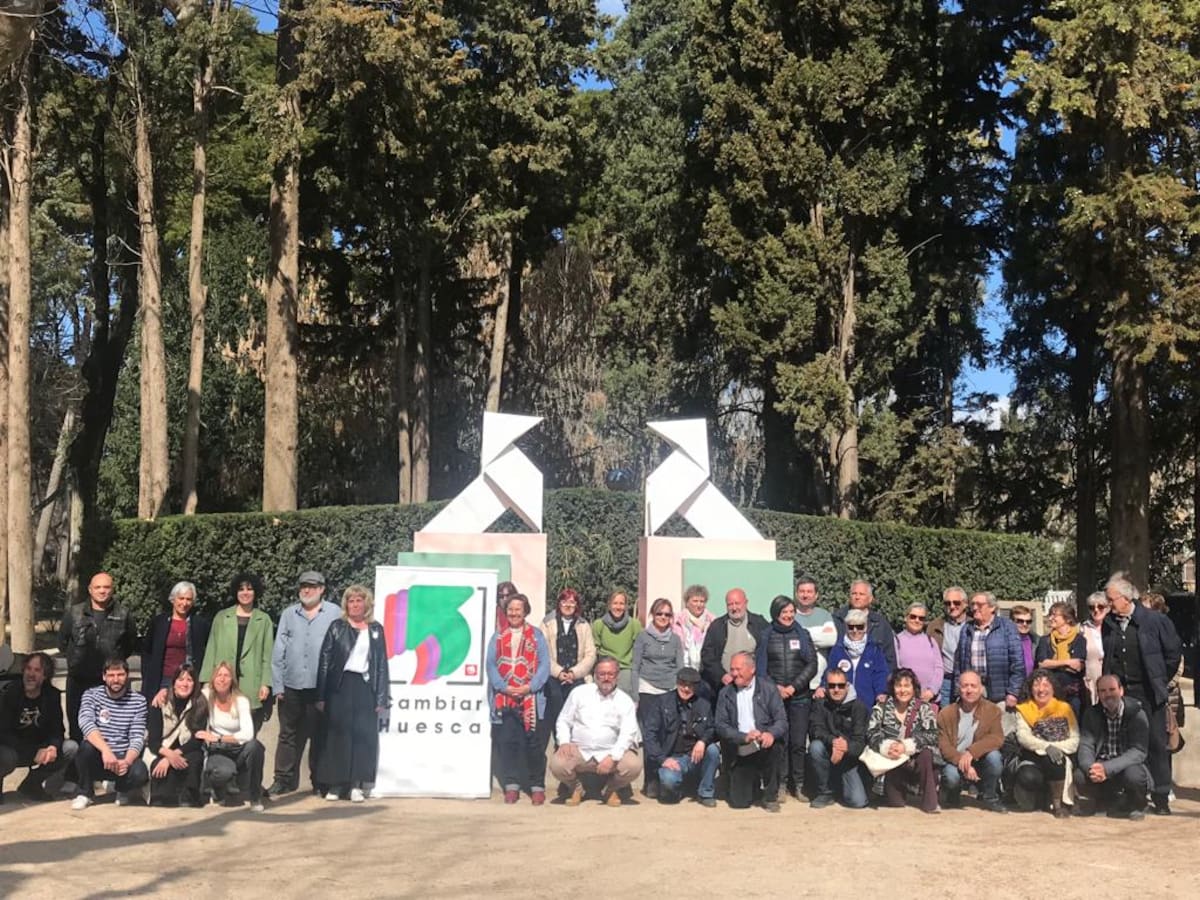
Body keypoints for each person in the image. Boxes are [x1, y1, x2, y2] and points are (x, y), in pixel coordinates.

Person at [1101, 574, 1181, 815]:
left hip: (1148, 693)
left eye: (1111, 599)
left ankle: (1161, 797)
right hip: (1122, 695)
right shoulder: (1109, 623)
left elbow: (1172, 654)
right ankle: (1130, 795)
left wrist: (1159, 679)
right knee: (1124, 743)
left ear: (1126, 599)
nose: (1108, 604)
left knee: (1156, 744)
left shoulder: (1155, 621)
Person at [267, 570, 341, 797]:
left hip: (320, 687)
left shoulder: (335, 613)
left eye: (311, 586)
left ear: (322, 589)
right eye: (303, 586)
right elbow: (278, 649)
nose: (306, 590)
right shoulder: (289, 614)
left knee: (319, 734)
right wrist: (277, 685)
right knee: (287, 734)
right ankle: (282, 780)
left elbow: (340, 650)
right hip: (291, 685)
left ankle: (319, 780)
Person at [316, 584, 389, 803]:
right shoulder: (336, 627)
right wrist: (320, 695)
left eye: (359, 600)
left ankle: (357, 784)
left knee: (362, 735)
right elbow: (324, 661)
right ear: (346, 604)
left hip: (365, 686)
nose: (355, 604)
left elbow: (381, 664)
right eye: (351, 601)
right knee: (338, 735)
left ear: (367, 603)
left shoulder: (376, 629)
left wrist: (381, 697)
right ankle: (337, 785)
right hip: (340, 686)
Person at [550, 657, 642, 806]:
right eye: (602, 674)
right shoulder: (579, 693)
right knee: (557, 764)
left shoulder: (625, 701)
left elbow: (628, 733)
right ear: (594, 675)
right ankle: (577, 790)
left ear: (617, 676)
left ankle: (610, 791)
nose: (606, 678)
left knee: (633, 766)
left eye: (611, 674)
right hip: (580, 750)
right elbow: (563, 720)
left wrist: (613, 756)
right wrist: (564, 741)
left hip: (609, 751)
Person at [486, 592, 551, 804]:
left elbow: (544, 665)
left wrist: (528, 687)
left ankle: (537, 786)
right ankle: (511, 785)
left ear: (525, 611)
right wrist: (504, 687)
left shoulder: (537, 636)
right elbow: (491, 665)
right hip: (505, 699)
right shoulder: (497, 637)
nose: (514, 613)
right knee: (507, 742)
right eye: (511, 609)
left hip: (530, 698)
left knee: (533, 745)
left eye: (518, 609)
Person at [58, 572, 139, 742]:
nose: (102, 591)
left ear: (112, 589)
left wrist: (114, 661)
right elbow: (63, 643)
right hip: (78, 680)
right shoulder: (73, 613)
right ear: (90, 589)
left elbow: (129, 645)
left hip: (109, 682)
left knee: (108, 728)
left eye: (106, 587)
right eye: (98, 587)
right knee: (77, 728)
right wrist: (76, 660)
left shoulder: (124, 615)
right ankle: (77, 766)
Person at [755, 595, 816, 800]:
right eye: (784, 612)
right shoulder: (765, 635)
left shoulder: (803, 634)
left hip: (800, 697)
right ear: (776, 614)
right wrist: (776, 688)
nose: (789, 615)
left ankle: (798, 784)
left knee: (798, 743)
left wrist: (793, 687)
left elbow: (812, 665)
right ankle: (780, 784)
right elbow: (761, 669)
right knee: (780, 742)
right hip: (776, 697)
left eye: (791, 611)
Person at [201, 572, 275, 735]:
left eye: (249, 589)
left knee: (247, 731)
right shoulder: (221, 617)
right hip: (224, 680)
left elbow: (267, 654)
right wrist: (206, 680)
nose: (245, 593)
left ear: (256, 592)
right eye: (241, 589)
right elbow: (211, 649)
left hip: (251, 682)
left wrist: (266, 683)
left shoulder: (264, 620)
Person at [142, 581, 211, 752]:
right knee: (158, 720)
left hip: (187, 680)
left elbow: (206, 650)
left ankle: (182, 754)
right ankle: (156, 753)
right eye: (181, 598)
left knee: (185, 720)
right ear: (173, 599)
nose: (184, 603)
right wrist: (148, 676)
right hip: (162, 679)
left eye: (189, 599)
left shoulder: (199, 624)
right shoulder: (159, 622)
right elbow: (147, 651)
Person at [71, 658, 149, 810]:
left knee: (140, 773)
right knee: (85, 748)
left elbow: (137, 736)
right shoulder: (91, 695)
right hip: (100, 754)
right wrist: (106, 750)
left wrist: (127, 761)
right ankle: (85, 793)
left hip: (123, 756)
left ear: (127, 676)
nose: (116, 679)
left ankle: (122, 789)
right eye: (111, 675)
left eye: (120, 675)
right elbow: (86, 724)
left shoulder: (138, 701)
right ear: (104, 676)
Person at [0, 653, 77, 803]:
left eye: (37, 670)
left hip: (40, 748)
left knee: (70, 748)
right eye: (28, 669)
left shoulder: (52, 695)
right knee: (5, 756)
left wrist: (53, 747)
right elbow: (3, 733)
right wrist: (32, 751)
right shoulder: (10, 693)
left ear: (45, 676)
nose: (31, 674)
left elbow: (57, 730)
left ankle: (31, 785)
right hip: (12, 748)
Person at [715, 651, 787, 811]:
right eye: (732, 669)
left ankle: (770, 796)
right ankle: (746, 782)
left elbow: (782, 721)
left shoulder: (769, 689)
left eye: (738, 669)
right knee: (739, 803)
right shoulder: (725, 693)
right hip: (741, 748)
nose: (734, 673)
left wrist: (771, 733)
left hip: (764, 745)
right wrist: (743, 737)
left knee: (775, 747)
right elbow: (720, 725)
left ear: (752, 669)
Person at [1074, 674, 1150, 819]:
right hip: (1100, 766)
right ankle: (1099, 803)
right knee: (1079, 775)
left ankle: (1138, 805)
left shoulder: (1137, 714)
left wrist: (1107, 768)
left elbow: (1138, 751)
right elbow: (1086, 745)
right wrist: (1091, 768)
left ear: (1121, 691)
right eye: (1102, 691)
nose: (1107, 694)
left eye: (1112, 689)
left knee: (1134, 776)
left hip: (1125, 765)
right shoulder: (1091, 714)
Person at [866, 667, 941, 814]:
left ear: (914, 688)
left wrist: (906, 745)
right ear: (892, 688)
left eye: (907, 686)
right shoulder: (881, 708)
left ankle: (930, 803)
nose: (902, 690)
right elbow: (871, 733)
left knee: (926, 753)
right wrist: (887, 746)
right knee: (896, 805)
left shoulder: (924, 708)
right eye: (898, 685)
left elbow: (932, 735)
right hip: (891, 763)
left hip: (915, 761)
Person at [631, 597, 685, 798]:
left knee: (667, 735)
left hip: (669, 689)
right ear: (653, 615)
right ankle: (650, 781)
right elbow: (635, 666)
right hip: (648, 689)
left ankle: (666, 779)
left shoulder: (675, 639)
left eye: (668, 614)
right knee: (650, 735)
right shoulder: (643, 637)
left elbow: (680, 667)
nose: (663, 617)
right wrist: (635, 694)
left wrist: (680, 692)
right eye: (660, 613)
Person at [643, 667, 719, 806]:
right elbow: (649, 734)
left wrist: (703, 741)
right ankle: (681, 790)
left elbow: (711, 728)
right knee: (669, 782)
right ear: (677, 683)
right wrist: (662, 759)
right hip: (671, 758)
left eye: (690, 686)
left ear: (696, 687)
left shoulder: (704, 704)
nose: (686, 689)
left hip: (694, 756)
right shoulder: (661, 702)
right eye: (682, 684)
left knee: (713, 750)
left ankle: (705, 793)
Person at [200, 661, 266, 812]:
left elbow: (248, 734)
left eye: (226, 675)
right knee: (223, 772)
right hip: (218, 750)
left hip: (238, 748)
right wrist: (163, 692)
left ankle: (255, 796)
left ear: (232, 680)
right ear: (213, 679)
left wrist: (219, 738)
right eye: (219, 675)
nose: (222, 679)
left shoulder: (241, 700)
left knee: (256, 746)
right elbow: (186, 691)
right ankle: (218, 790)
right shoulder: (206, 695)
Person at [936, 670, 1006, 812]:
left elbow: (997, 738)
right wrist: (964, 762)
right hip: (955, 760)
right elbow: (944, 746)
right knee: (951, 777)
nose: (969, 690)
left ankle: (990, 796)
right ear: (958, 688)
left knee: (995, 757)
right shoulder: (946, 713)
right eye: (965, 686)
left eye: (973, 686)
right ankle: (952, 794)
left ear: (981, 689)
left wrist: (971, 753)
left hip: (980, 759)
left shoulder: (992, 710)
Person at [1012, 669, 1079, 818]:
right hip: (1033, 757)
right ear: (1030, 689)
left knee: (1054, 759)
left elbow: (1074, 740)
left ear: (1053, 688)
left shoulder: (1065, 709)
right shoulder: (1023, 710)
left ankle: (1057, 804)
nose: (1041, 689)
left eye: (1045, 685)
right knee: (1027, 776)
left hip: (1060, 759)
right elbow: (1023, 737)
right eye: (1036, 685)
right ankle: (1039, 797)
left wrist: (1055, 748)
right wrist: (1046, 747)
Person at [540, 587, 596, 744]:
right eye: (564, 601)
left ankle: (576, 744)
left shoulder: (584, 625)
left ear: (577, 605)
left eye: (572, 602)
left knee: (576, 709)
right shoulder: (547, 623)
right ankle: (560, 744)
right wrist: (558, 672)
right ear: (559, 603)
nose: (568, 605)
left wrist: (574, 673)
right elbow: (543, 652)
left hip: (576, 676)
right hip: (553, 675)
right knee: (556, 703)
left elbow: (590, 654)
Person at [807, 670, 869, 809]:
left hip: (851, 759)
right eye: (832, 685)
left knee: (857, 802)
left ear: (847, 686)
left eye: (840, 685)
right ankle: (825, 792)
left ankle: (841, 787)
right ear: (826, 686)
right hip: (828, 753)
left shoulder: (859, 707)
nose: (836, 689)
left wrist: (844, 747)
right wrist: (834, 742)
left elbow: (860, 742)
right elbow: (815, 730)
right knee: (815, 747)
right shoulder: (820, 704)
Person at [952, 591, 1024, 709]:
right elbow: (959, 664)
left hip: (1000, 695)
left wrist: (1013, 692)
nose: (975, 608)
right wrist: (958, 691)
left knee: (1001, 727)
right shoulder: (967, 629)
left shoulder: (1007, 627)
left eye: (979, 605)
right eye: (973, 604)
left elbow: (1018, 663)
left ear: (992, 608)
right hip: (972, 693)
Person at [149, 664, 208, 807]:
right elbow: (154, 742)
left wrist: (172, 756)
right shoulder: (160, 702)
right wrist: (168, 755)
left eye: (189, 680)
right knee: (158, 764)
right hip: (164, 747)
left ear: (195, 684)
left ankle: (189, 797)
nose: (185, 684)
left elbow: (197, 740)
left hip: (187, 748)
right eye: (181, 679)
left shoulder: (200, 704)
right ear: (174, 682)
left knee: (195, 757)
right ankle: (161, 798)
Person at [700, 588, 768, 700]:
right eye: (730, 604)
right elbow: (707, 656)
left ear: (746, 603)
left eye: (737, 603)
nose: (734, 608)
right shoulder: (717, 626)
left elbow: (768, 652)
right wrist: (721, 675)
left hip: (753, 688)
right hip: (724, 687)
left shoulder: (759, 624)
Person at [1141, 592, 1187, 756]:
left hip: (1167, 693)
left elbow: (1177, 663)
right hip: (1150, 693)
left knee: (1166, 738)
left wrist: (1159, 683)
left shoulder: (1166, 628)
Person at [823, 609, 889, 705]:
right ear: (846, 627)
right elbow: (829, 671)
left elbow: (880, 674)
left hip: (867, 702)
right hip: (842, 704)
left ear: (865, 627)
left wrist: (881, 692)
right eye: (851, 627)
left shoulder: (874, 649)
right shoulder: (838, 648)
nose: (855, 630)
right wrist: (822, 686)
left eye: (859, 627)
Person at [1034, 601, 1087, 717]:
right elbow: (1042, 663)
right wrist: (1067, 662)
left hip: (1072, 695)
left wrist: (1053, 664)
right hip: (1049, 694)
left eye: (1054, 615)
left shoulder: (1079, 640)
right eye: (1050, 614)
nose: (1051, 618)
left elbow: (1077, 666)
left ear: (1067, 619)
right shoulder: (1045, 640)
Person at [833, 580, 897, 671]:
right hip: (842, 677)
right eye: (854, 593)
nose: (857, 597)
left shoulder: (880, 624)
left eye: (861, 594)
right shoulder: (837, 620)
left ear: (870, 598)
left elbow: (889, 658)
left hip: (872, 679)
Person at [591, 590, 642, 697]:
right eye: (615, 603)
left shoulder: (634, 625)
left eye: (621, 603)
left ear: (626, 606)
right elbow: (594, 652)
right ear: (609, 605)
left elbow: (638, 652)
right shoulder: (598, 625)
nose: (618, 607)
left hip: (625, 670)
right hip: (605, 669)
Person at [794, 575, 837, 691]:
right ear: (796, 594)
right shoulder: (790, 616)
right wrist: (819, 636)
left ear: (816, 595)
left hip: (819, 684)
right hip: (796, 683)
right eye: (802, 591)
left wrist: (802, 635)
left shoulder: (824, 615)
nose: (805, 595)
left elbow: (831, 639)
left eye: (809, 591)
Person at [894, 602, 942, 706]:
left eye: (921, 618)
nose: (917, 620)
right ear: (906, 618)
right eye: (913, 617)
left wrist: (932, 690)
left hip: (930, 699)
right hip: (906, 699)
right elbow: (896, 669)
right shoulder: (897, 640)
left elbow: (939, 668)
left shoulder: (931, 641)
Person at [929, 586, 970, 707]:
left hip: (967, 680)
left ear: (965, 604)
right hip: (945, 681)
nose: (952, 606)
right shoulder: (934, 626)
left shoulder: (973, 626)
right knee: (946, 718)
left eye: (956, 602)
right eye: (948, 603)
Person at [673, 584, 716, 673]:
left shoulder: (713, 622)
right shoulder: (677, 621)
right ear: (687, 603)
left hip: (706, 670)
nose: (699, 605)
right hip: (683, 668)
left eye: (702, 601)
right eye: (695, 601)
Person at [1081, 590, 1108, 705]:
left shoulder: (1114, 629)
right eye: (1092, 607)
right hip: (1090, 682)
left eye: (1101, 607)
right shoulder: (1082, 629)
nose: (1096, 610)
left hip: (1110, 682)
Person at [1010, 604, 1038, 677]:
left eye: (1028, 621)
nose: (1025, 624)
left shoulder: (1036, 641)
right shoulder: (1004, 641)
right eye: (1020, 621)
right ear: (1011, 622)